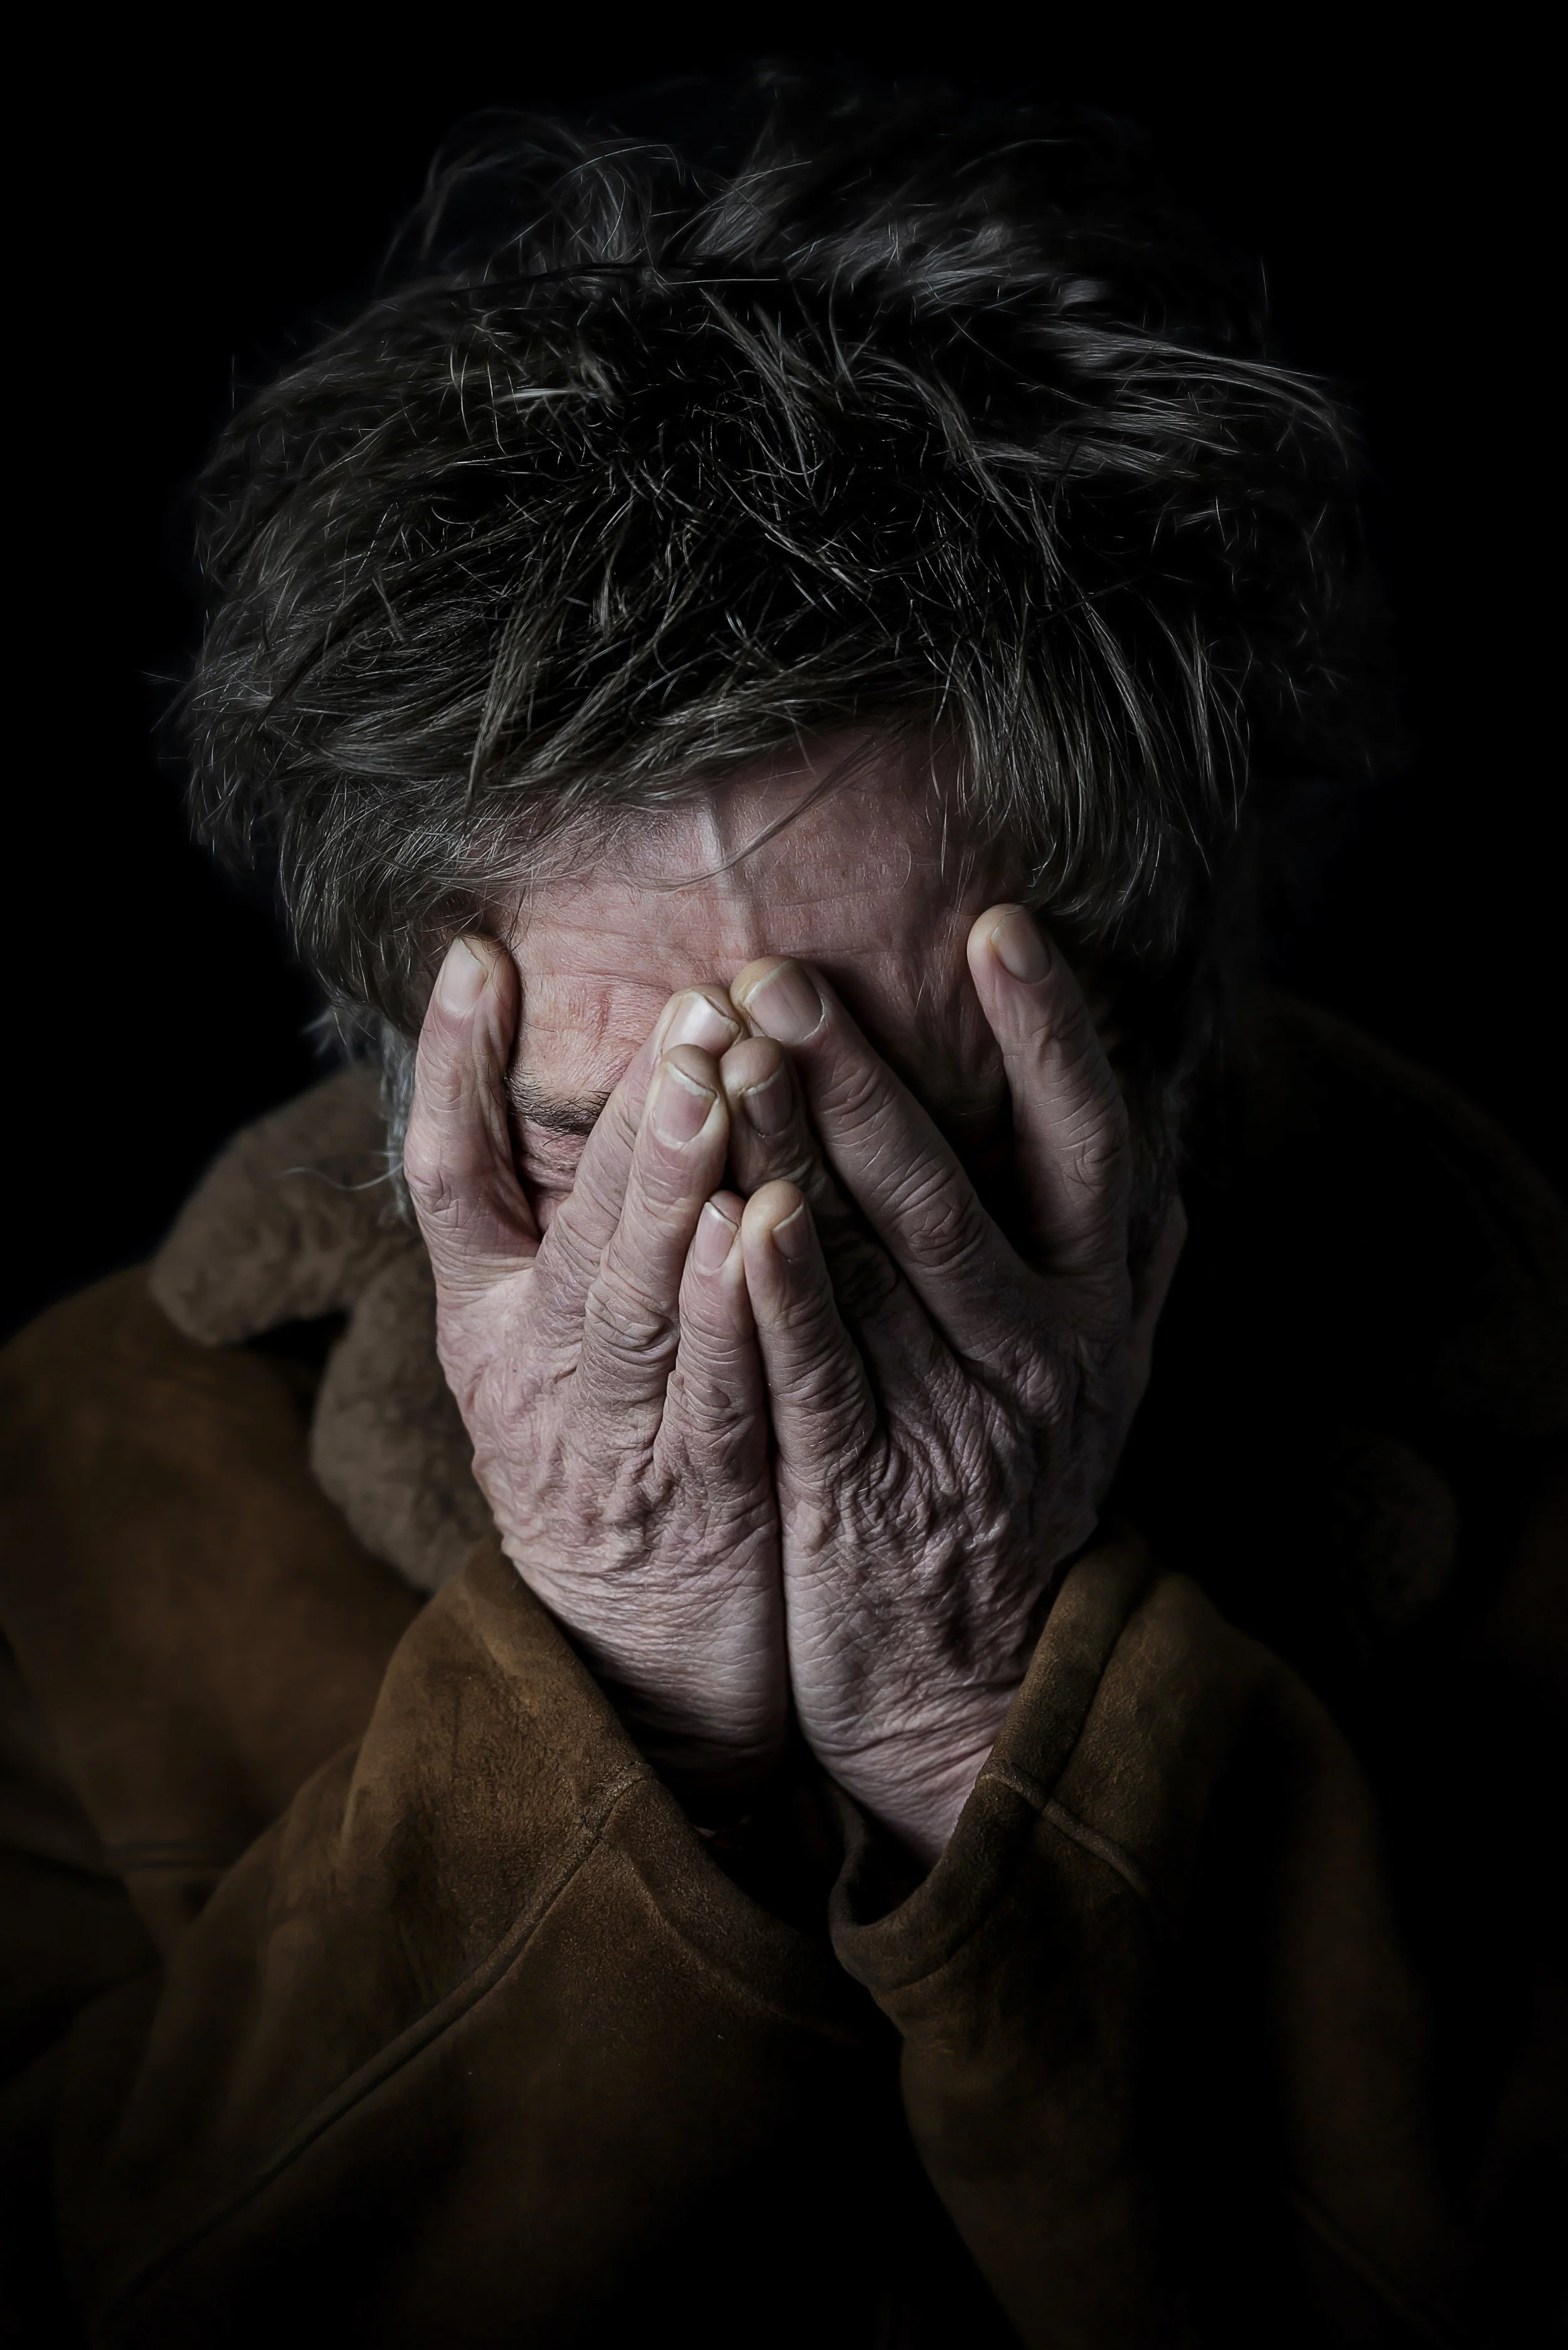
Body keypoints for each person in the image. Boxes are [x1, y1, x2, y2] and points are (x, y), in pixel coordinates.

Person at [1, 78, 1562, 2347]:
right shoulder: (77, 1480)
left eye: (904, 1126)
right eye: (594, 1143)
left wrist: (982, 1726)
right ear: (402, 1066)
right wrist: (626, 1702)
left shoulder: (1529, 1443)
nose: (754, 1265)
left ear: (1146, 1058)